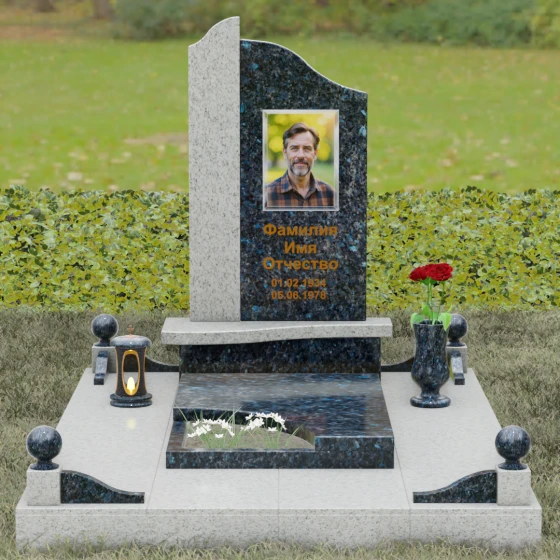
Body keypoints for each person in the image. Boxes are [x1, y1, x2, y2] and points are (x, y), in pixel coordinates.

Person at [265, 122, 335, 209]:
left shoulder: (331, 195)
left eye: (307, 148)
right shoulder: (266, 196)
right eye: (294, 148)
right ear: (285, 153)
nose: (301, 155)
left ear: (315, 154)